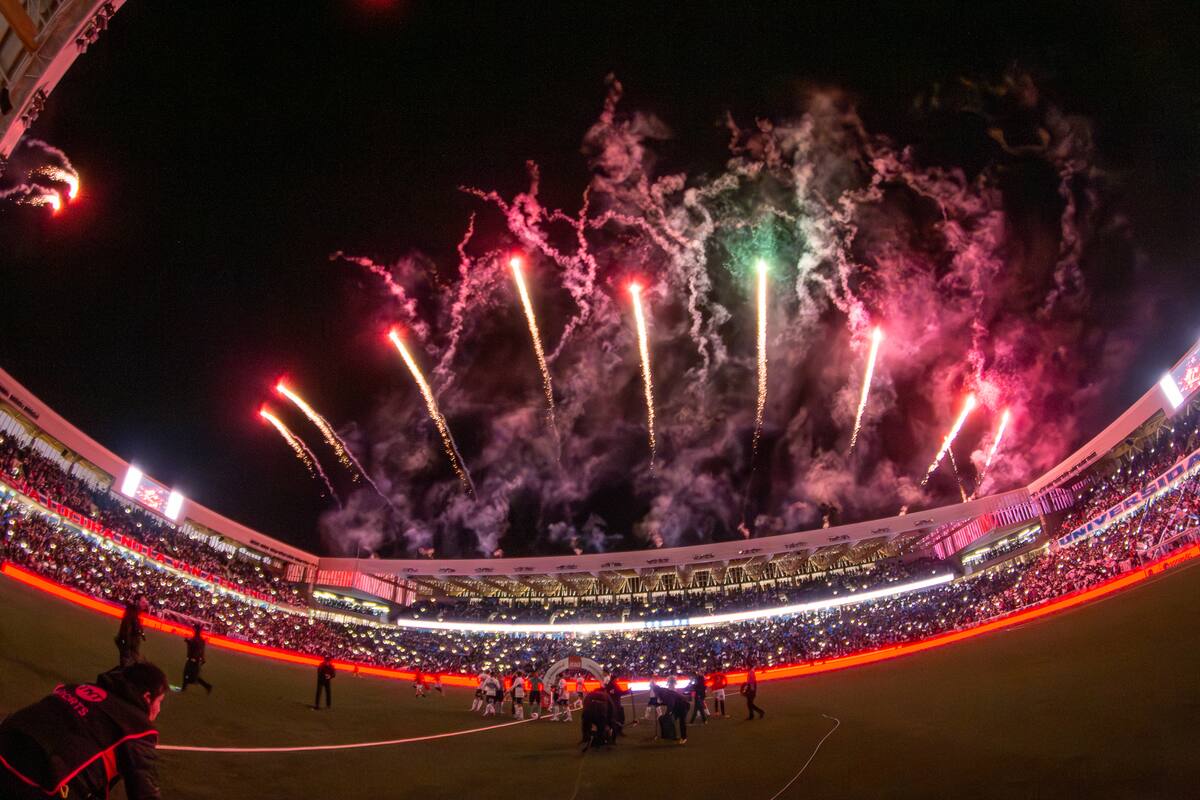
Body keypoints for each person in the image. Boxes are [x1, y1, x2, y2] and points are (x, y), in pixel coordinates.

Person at [0, 662, 168, 800]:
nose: (159, 709)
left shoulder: (78, 688)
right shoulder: (137, 728)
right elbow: (145, 791)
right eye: (159, 701)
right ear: (147, 697)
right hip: (39, 782)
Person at [116, 594, 149, 667]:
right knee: (128, 669)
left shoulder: (135, 612)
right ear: (137, 602)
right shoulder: (132, 613)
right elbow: (126, 631)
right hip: (129, 647)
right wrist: (126, 646)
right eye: (143, 602)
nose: (145, 604)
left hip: (131, 647)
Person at [181, 623, 213, 694]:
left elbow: (196, 648)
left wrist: (188, 641)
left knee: (188, 674)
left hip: (193, 660)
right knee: (192, 675)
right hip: (195, 660)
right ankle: (207, 686)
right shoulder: (200, 640)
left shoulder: (197, 639)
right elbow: (200, 649)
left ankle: (184, 688)